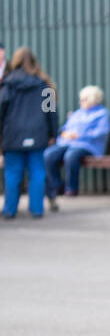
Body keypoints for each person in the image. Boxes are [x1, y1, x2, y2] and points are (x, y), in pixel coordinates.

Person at [0, 47, 58, 221]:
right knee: (38, 173)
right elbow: (51, 112)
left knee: (12, 173)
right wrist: (52, 133)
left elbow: (1, 111)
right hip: (38, 135)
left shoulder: (7, 85)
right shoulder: (45, 84)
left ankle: (10, 210)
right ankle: (37, 210)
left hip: (12, 136)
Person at [45, 85, 110, 207]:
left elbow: (101, 132)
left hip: (88, 145)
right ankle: (57, 186)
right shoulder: (77, 113)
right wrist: (65, 134)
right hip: (67, 143)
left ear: (92, 100)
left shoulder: (102, 113)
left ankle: (71, 188)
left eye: (84, 99)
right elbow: (64, 129)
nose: (81, 102)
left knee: (71, 156)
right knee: (48, 155)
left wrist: (79, 135)